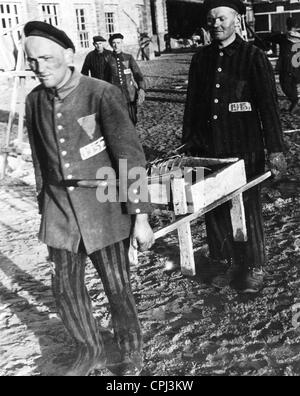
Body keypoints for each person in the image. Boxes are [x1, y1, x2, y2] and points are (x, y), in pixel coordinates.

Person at [23, 21, 155, 376]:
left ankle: (130, 352)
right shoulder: (34, 100)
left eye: (46, 58)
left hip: (104, 206)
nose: (40, 67)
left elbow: (130, 157)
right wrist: (44, 209)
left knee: (117, 286)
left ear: (69, 56)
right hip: (59, 211)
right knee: (65, 289)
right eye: (32, 60)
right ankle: (90, 349)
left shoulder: (102, 93)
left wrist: (140, 216)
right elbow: (39, 161)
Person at [183, 0, 286, 294]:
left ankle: (255, 266)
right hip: (208, 147)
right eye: (212, 19)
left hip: (245, 146)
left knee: (247, 206)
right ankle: (228, 261)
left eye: (222, 19)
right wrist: (188, 141)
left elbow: (269, 106)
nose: (216, 24)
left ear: (236, 21)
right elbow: (192, 105)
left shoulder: (253, 57)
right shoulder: (200, 59)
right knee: (213, 206)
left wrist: (275, 148)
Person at [106, 33, 146, 125]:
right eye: (114, 43)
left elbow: (137, 73)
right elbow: (104, 78)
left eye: (118, 42)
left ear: (122, 43)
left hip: (130, 94)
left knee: (132, 120)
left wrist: (142, 88)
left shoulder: (128, 57)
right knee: (118, 121)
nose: (116, 45)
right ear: (111, 44)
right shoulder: (107, 59)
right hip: (114, 95)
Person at [265, 17, 300, 112]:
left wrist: (273, 33)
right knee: (292, 85)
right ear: (296, 26)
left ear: (287, 25)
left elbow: (269, 38)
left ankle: (295, 101)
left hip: (287, 66)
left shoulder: (284, 37)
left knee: (285, 85)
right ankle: (294, 101)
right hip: (297, 67)